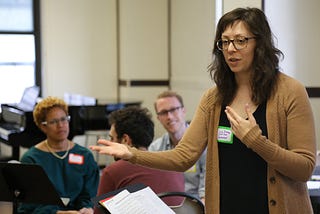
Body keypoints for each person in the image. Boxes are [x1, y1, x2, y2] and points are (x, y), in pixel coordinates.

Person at [90, 7, 316, 214]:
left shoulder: (289, 92)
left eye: (240, 41)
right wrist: (132, 154)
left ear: (260, 43)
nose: (231, 49)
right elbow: (183, 157)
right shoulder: (214, 98)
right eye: (224, 42)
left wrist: (257, 141)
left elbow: (305, 168)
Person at [94, 106, 185, 213]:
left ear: (125, 140)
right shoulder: (173, 167)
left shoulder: (113, 171)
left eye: (112, 138)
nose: (110, 143)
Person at [18, 96, 100, 214]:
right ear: (43, 126)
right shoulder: (31, 159)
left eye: (64, 119)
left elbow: (89, 195)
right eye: (54, 121)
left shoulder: (84, 155)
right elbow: (28, 207)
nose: (61, 125)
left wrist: (87, 208)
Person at [149, 90, 206, 202]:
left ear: (183, 111)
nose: (169, 116)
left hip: (196, 207)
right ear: (158, 118)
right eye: (164, 112)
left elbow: (206, 194)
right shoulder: (155, 148)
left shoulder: (203, 144)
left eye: (173, 110)